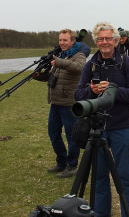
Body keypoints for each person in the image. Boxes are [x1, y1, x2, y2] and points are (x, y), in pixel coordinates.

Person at [75, 22, 129, 217]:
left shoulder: (127, 63)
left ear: (115, 40)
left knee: (126, 178)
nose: (105, 42)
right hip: (97, 128)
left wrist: (112, 90)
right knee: (99, 178)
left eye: (108, 39)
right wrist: (92, 90)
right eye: (100, 39)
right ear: (96, 41)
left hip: (123, 127)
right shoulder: (91, 64)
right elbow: (78, 95)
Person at [33, 29, 90, 178]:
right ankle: (61, 162)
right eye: (60, 40)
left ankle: (72, 166)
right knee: (53, 134)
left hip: (69, 103)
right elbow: (52, 76)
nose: (62, 43)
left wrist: (59, 62)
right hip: (55, 103)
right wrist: (39, 76)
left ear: (72, 41)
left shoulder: (79, 55)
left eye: (65, 40)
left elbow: (79, 68)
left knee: (72, 137)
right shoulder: (60, 55)